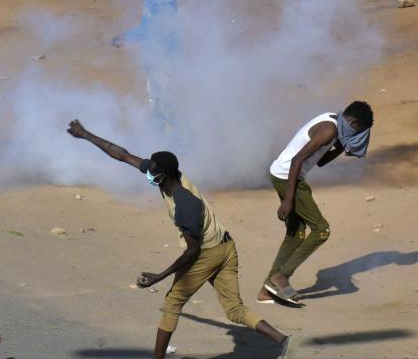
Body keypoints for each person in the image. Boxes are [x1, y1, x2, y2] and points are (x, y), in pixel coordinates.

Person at [66, 120, 291, 359]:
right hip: (226, 246)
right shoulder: (171, 177)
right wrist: (85, 134)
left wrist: (158, 277)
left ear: (164, 175)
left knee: (172, 303)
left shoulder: (185, 204)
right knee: (234, 310)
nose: (148, 174)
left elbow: (192, 253)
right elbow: (123, 155)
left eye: (152, 172)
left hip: (207, 253)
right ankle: (282, 340)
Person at [258, 101, 373, 305]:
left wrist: (342, 147)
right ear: (353, 122)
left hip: (284, 175)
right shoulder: (329, 129)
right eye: (358, 132)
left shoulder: (335, 126)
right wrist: (288, 199)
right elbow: (297, 160)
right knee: (321, 230)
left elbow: (320, 161)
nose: (358, 137)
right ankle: (281, 277)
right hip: (288, 178)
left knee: (296, 233)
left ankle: (267, 291)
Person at [111, 0, 180, 129]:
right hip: (154, 58)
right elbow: (147, 26)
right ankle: (159, 139)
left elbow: (156, 30)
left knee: (167, 104)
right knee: (155, 102)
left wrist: (128, 37)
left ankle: (185, 141)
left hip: (165, 60)